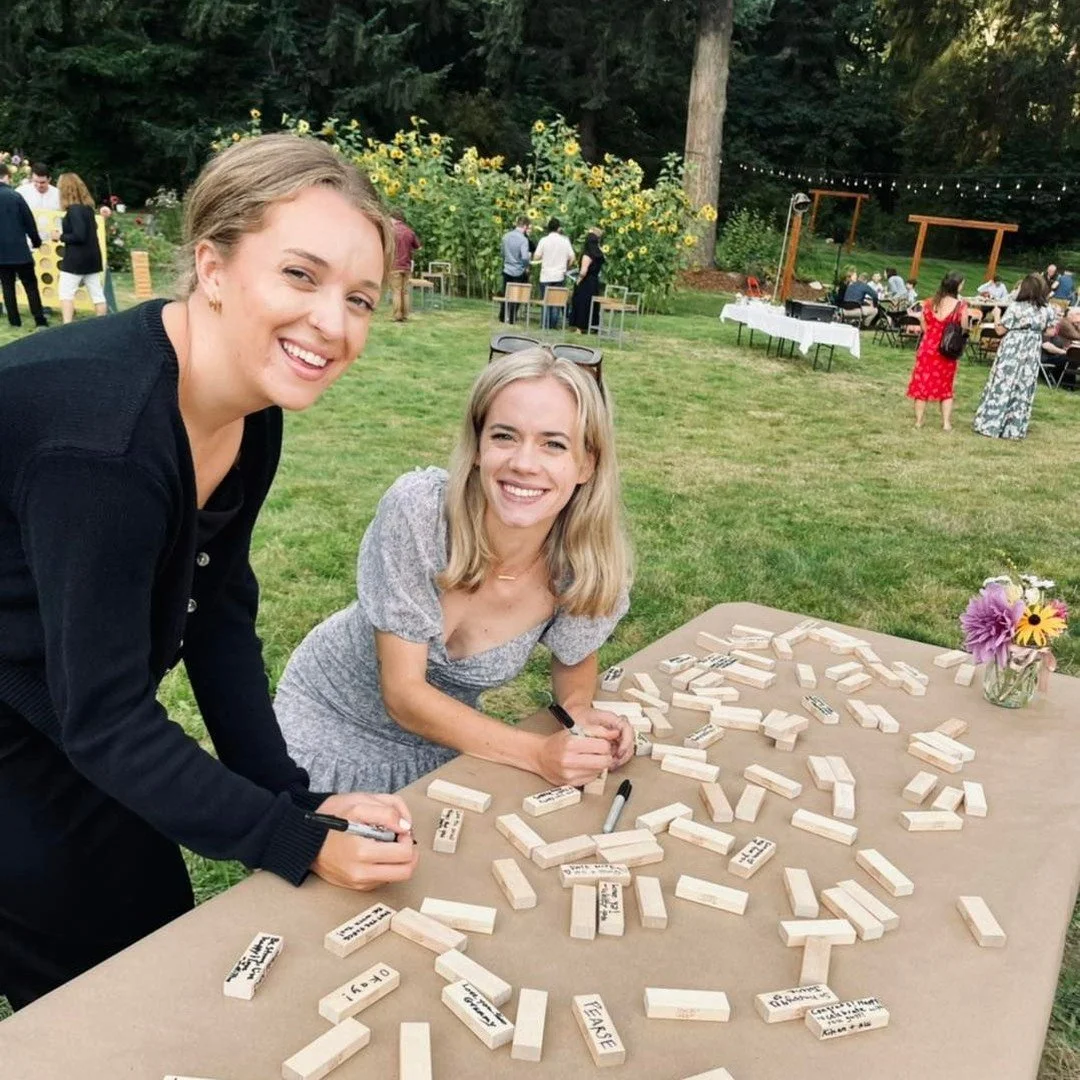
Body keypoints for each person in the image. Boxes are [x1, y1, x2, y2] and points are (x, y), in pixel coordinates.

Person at [0, 133, 418, 1012]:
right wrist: (293, 842)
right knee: (101, 977)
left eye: (360, 299)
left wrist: (291, 802)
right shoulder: (105, 446)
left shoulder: (249, 406)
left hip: (52, 687)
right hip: (25, 711)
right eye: (300, 276)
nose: (333, 325)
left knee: (149, 921)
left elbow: (219, 608)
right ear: (213, 266)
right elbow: (107, 718)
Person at [274, 347, 634, 793]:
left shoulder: (585, 563)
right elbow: (403, 695)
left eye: (553, 444)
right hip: (328, 723)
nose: (523, 463)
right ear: (479, 447)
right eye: (504, 436)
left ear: (586, 464)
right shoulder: (420, 513)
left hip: (446, 742)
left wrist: (580, 712)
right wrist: (537, 753)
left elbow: (575, 659)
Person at [973, 273, 1059, 439]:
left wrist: (997, 314)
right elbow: (1049, 331)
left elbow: (1000, 330)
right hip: (1032, 349)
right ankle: (1013, 429)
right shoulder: (1047, 309)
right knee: (1023, 385)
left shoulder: (1016, 307)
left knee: (1003, 383)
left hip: (1013, 347)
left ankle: (990, 423)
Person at [906, 271, 968, 431]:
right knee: (946, 387)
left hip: (928, 347)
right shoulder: (960, 306)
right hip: (946, 350)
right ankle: (946, 423)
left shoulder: (929, 303)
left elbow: (923, 324)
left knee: (922, 385)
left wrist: (932, 333)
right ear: (957, 286)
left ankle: (919, 421)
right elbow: (965, 326)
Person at [0, 162, 48, 329]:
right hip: (19, 249)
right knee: (30, 285)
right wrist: (36, 241)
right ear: (7, 176)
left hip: (1, 252)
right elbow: (29, 222)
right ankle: (39, 318)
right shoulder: (15, 196)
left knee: (7, 286)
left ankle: (14, 320)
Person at [54, 172, 106, 323]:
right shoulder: (88, 209)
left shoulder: (74, 210)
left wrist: (61, 237)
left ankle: (67, 325)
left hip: (76, 259)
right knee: (97, 294)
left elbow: (79, 235)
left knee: (65, 293)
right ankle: (102, 324)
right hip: (92, 257)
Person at [532, 217, 575, 329]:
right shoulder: (565, 241)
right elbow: (572, 257)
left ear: (548, 228)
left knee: (545, 300)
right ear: (558, 228)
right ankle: (553, 324)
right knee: (556, 301)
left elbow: (536, 256)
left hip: (546, 275)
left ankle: (545, 323)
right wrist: (567, 266)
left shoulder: (543, 240)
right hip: (559, 274)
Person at [569, 227, 605, 334]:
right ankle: (592, 325)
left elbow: (583, 271)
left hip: (586, 282)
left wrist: (578, 280)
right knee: (592, 304)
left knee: (582, 304)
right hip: (594, 282)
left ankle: (580, 327)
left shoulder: (587, 254)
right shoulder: (599, 253)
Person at [387, 207, 420, 323]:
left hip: (395, 266)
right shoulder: (410, 231)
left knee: (396, 291)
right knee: (405, 291)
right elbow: (418, 247)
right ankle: (405, 315)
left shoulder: (390, 231)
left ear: (394, 218)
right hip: (406, 266)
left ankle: (397, 315)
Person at [499, 216, 531, 323]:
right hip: (518, 270)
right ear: (525, 226)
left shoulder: (505, 236)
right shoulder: (523, 240)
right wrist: (526, 265)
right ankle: (512, 317)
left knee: (506, 293)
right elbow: (525, 257)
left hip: (507, 268)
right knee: (516, 294)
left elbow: (502, 253)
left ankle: (502, 316)